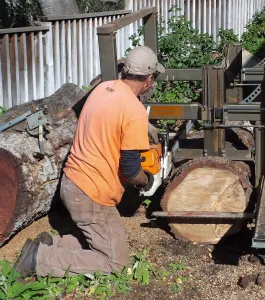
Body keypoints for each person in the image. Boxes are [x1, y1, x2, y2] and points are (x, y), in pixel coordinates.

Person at [14, 46, 165, 278]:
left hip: (72, 181)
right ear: (148, 79)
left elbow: (112, 117)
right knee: (116, 264)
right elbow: (130, 168)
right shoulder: (134, 110)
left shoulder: (103, 88)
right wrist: (147, 181)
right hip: (92, 194)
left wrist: (145, 126)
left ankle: (53, 244)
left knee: (106, 242)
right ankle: (40, 260)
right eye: (153, 79)